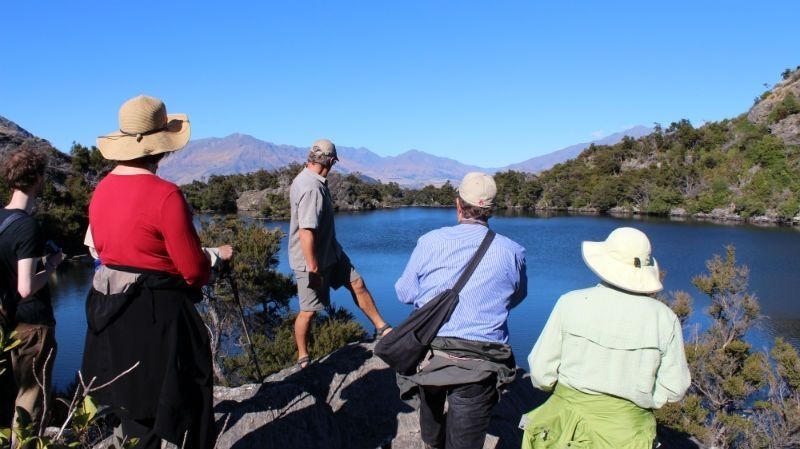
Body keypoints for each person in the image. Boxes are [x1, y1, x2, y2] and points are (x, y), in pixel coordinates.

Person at [82, 95, 232, 449]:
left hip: (110, 315)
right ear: (160, 146)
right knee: (192, 396)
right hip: (158, 319)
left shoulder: (100, 191)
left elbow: (105, 252)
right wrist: (213, 261)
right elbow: (194, 270)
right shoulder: (166, 196)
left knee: (134, 414)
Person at [522, 227, 691, 449]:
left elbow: (542, 371)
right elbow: (673, 388)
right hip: (627, 432)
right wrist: (639, 402)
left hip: (565, 424)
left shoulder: (571, 302)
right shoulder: (664, 318)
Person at [394, 172, 527, 449]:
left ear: (458, 205)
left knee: (430, 408)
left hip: (430, 354)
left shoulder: (430, 241)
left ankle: (431, 440)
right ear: (491, 209)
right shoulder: (512, 251)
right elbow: (516, 296)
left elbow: (404, 293)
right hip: (480, 362)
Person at [288, 139, 392, 368]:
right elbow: (305, 233)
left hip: (332, 252)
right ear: (332, 160)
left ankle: (382, 328)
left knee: (357, 284)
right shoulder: (310, 187)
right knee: (308, 311)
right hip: (311, 261)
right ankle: (303, 357)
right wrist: (314, 269)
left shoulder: (313, 180)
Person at [0, 147, 64, 441]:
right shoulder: (27, 227)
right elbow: (25, 287)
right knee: (32, 402)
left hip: (6, 324)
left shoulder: (2, 219)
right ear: (37, 178)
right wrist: (51, 264)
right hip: (31, 326)